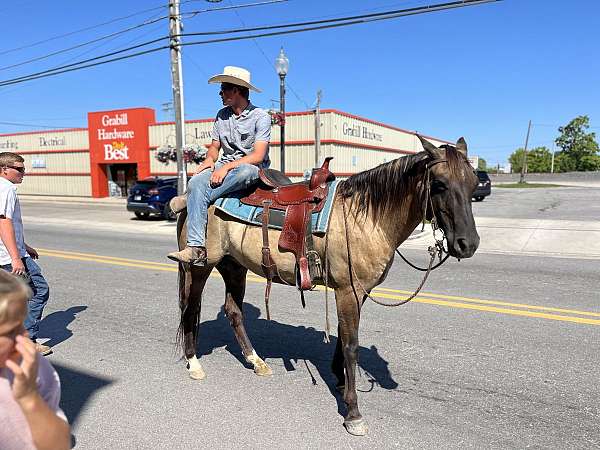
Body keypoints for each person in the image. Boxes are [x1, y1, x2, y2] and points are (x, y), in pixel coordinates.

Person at [168, 66, 272, 266]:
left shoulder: (261, 116)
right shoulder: (221, 115)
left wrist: (226, 168)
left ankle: (191, 200)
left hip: (249, 168)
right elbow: (214, 148)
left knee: (244, 172)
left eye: (224, 88)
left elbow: (258, 155)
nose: (220, 93)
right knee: (198, 180)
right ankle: (195, 248)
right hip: (224, 166)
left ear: (237, 90)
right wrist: (209, 160)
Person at [0, 270, 70, 450]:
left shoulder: (37, 371)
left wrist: (30, 399)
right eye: (10, 331)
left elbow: (58, 444)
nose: (24, 337)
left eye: (22, 325)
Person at [0, 152, 51, 356]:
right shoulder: (6, 189)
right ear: (4, 169)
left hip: (10, 251)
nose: (24, 173)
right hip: (8, 256)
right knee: (38, 291)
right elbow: (3, 222)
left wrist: (25, 245)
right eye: (19, 169)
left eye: (24, 168)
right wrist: (16, 257)